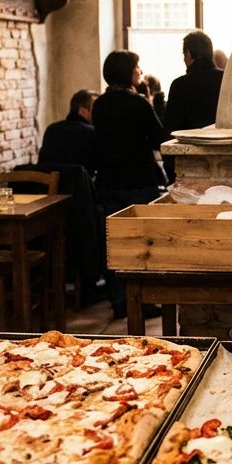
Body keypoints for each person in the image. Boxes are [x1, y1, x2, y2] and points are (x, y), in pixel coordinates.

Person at [92, 50, 168, 318]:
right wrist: (149, 103)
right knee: (141, 244)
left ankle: (119, 301)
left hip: (109, 181)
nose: (140, 70)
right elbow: (158, 139)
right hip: (137, 180)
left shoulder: (99, 105)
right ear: (128, 72)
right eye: (137, 66)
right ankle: (144, 301)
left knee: (114, 243)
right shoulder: (137, 104)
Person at [162, 31, 224, 182]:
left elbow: (170, 130)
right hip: (225, 159)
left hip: (191, 163)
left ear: (188, 54)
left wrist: (171, 170)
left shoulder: (180, 85)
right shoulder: (225, 79)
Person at [38, 88, 98, 169]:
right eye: (96, 109)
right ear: (83, 111)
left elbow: (42, 162)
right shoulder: (91, 132)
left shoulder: (52, 128)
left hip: (51, 181)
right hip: (79, 181)